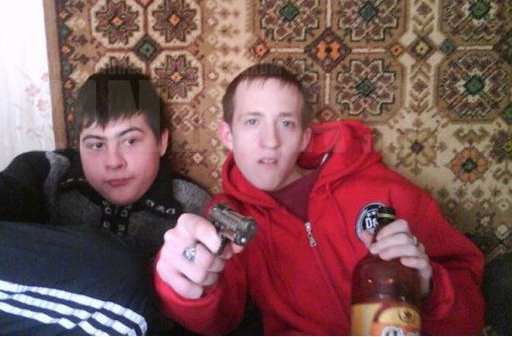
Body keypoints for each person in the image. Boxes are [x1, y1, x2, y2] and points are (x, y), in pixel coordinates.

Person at [154, 63, 485, 335]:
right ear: (228, 135)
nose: (270, 141)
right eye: (252, 121)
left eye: (286, 123)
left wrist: (430, 287)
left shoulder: (384, 189)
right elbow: (216, 321)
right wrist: (182, 286)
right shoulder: (227, 217)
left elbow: (470, 313)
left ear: (304, 138)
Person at [0, 69, 210, 335]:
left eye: (130, 141)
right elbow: (3, 192)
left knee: (120, 270)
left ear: (161, 141)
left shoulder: (191, 207)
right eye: (96, 144)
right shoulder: (52, 174)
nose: (113, 161)